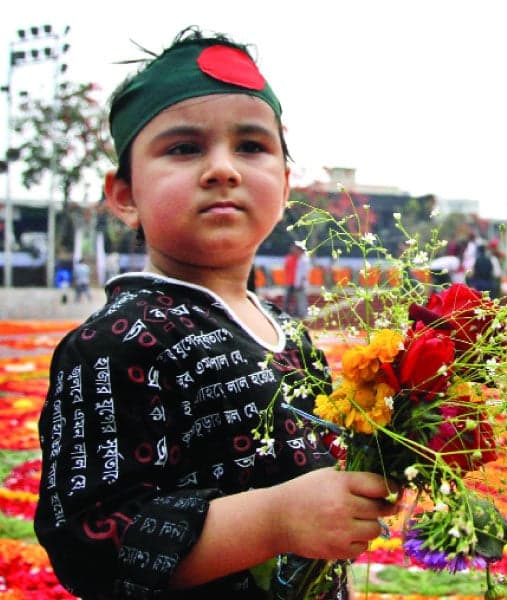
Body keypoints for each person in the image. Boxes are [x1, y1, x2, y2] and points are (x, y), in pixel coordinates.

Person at [34, 28, 399, 598]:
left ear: (282, 186)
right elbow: (87, 545)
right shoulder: (111, 344)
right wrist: (276, 520)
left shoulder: (294, 336)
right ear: (125, 195)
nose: (222, 169)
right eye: (183, 148)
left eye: (251, 147)